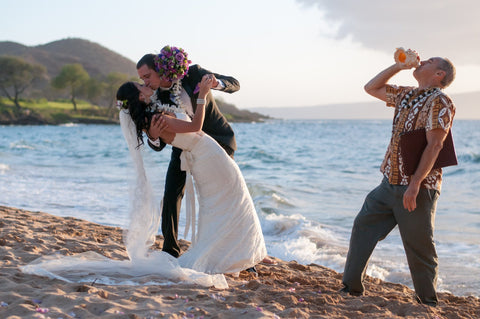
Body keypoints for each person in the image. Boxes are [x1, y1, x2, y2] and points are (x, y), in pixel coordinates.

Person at [116, 77, 267, 275]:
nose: (146, 86)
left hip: (206, 158)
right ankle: (234, 257)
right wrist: (202, 96)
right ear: (138, 96)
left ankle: (235, 256)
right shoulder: (157, 119)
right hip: (209, 158)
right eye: (141, 86)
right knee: (233, 203)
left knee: (221, 206)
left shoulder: (153, 117)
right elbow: (195, 126)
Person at [340, 53, 456, 306]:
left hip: (419, 187)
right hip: (388, 182)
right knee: (363, 227)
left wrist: (414, 185)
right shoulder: (406, 95)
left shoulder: (441, 101)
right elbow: (372, 87)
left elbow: (435, 146)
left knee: (419, 248)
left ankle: (428, 302)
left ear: (440, 74)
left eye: (430, 62)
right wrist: (399, 66)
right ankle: (351, 289)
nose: (422, 61)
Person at [136, 46, 238, 259]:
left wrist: (214, 83)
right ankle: (170, 252)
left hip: (218, 141)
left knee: (225, 197)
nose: (145, 82)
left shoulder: (193, 74)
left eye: (147, 76)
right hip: (184, 148)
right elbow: (159, 144)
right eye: (141, 78)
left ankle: (236, 251)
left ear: (161, 70)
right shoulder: (155, 100)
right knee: (171, 193)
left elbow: (234, 84)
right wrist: (153, 136)